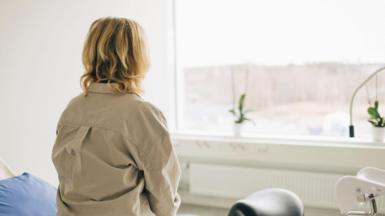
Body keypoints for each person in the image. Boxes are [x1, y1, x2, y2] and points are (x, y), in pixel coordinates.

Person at [52, 17, 181, 216]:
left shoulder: (72, 109)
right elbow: (164, 196)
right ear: (138, 57)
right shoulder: (142, 114)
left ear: (91, 53)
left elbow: (69, 180)